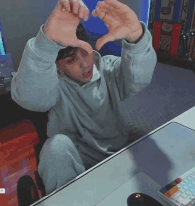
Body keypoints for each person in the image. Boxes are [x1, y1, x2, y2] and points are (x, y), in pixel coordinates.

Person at [11, 0, 157, 196]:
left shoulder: (107, 68)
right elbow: (29, 97)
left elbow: (138, 78)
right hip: (77, 160)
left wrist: (136, 39)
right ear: (58, 66)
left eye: (84, 52)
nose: (84, 64)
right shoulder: (54, 84)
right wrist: (45, 45)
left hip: (117, 155)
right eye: (71, 60)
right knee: (55, 147)